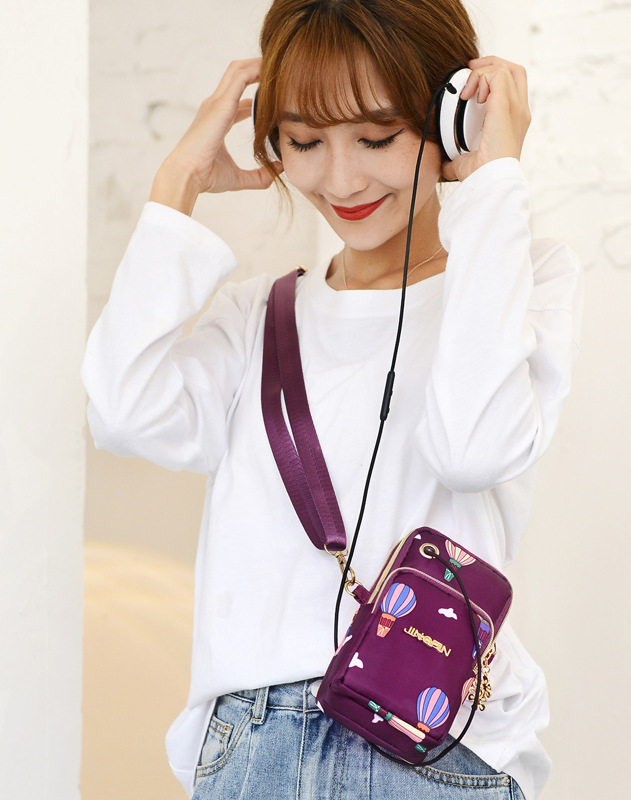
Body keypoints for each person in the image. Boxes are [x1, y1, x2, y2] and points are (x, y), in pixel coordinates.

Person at [82, 0, 583, 798]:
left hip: (430, 748)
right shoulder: (256, 317)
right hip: (253, 750)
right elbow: (121, 409)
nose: (341, 180)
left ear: (450, 118)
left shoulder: (524, 285)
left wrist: (493, 186)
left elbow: (471, 449)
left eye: (377, 138)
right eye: (305, 142)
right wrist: (177, 185)